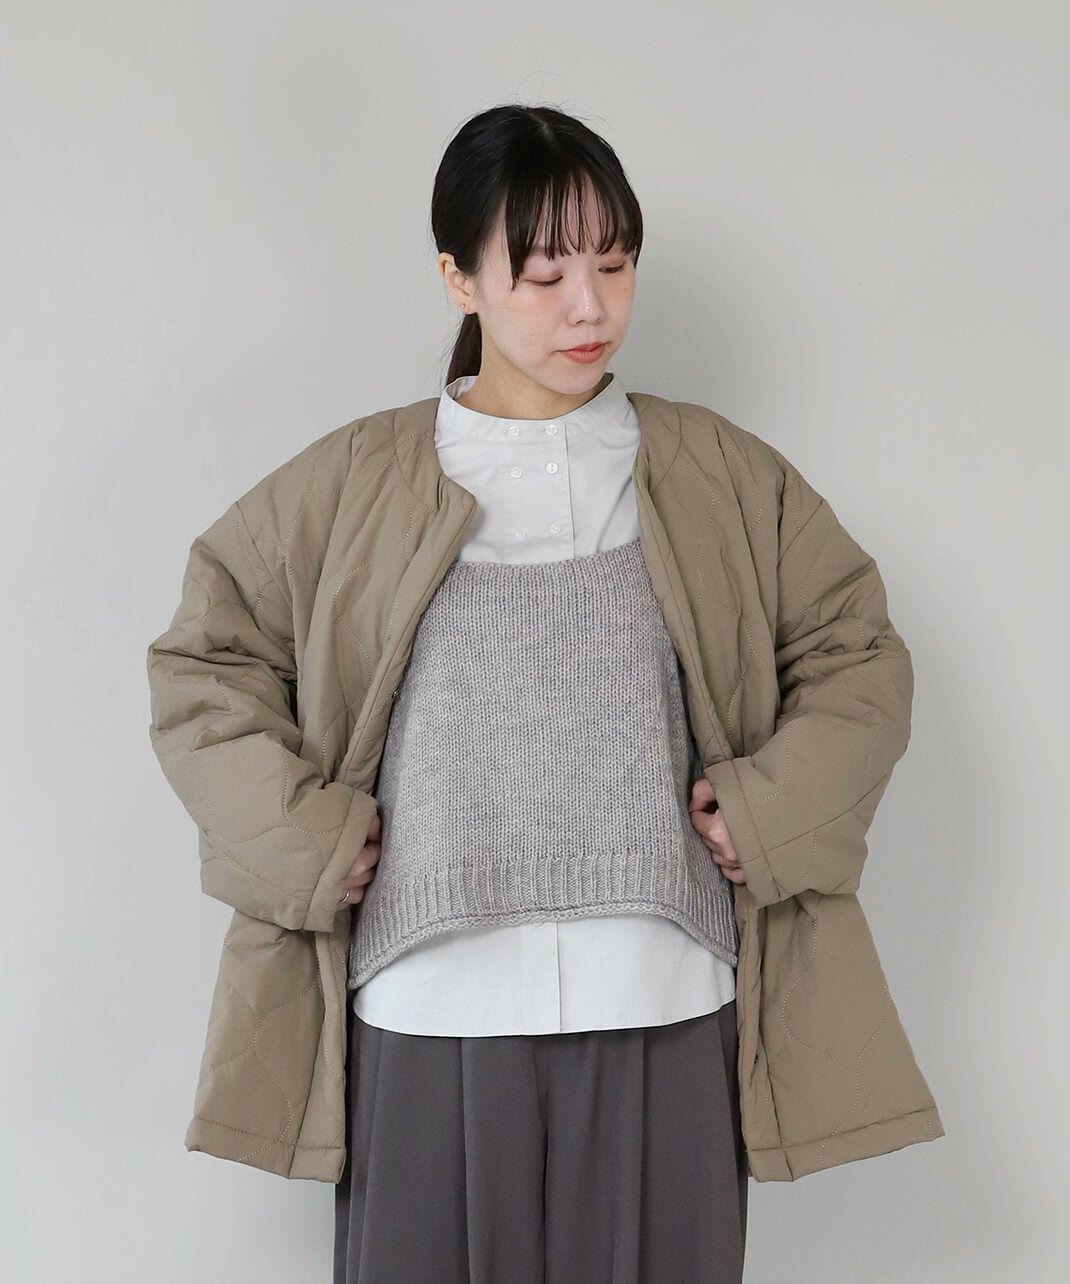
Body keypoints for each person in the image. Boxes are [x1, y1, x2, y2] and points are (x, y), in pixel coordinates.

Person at [146, 101, 943, 1284]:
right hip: (426, 1006)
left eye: (613, 265)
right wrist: (306, 841)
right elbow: (202, 664)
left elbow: (856, 654)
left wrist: (771, 813)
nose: (589, 308)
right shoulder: (350, 485)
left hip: (662, 995)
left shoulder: (718, 475)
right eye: (543, 273)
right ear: (458, 280)